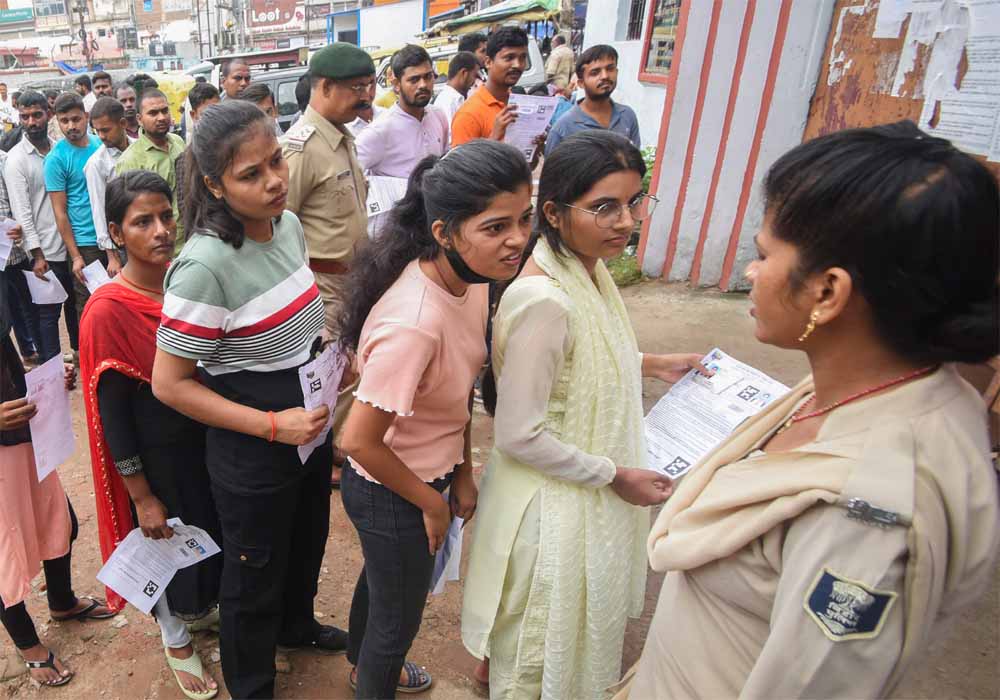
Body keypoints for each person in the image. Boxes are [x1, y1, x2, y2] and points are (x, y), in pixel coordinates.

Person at [618, 121, 1000, 698]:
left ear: (827, 292)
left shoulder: (868, 514)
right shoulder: (855, 388)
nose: (751, 272)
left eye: (763, 254)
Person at [462, 131, 702, 699]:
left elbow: (580, 359)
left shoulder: (585, 270)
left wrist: (651, 363)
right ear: (554, 213)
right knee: (537, 651)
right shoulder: (545, 299)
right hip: (551, 506)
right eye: (605, 207)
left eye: (634, 202)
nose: (626, 221)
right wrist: (615, 475)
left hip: (571, 488)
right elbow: (519, 435)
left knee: (539, 642)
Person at [152, 100, 348, 700]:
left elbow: (296, 319)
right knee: (253, 569)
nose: (274, 182)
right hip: (253, 440)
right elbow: (170, 384)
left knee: (307, 538)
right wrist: (270, 425)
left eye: (276, 163)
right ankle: (252, 683)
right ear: (215, 185)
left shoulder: (287, 227)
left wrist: (332, 357)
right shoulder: (203, 267)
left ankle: (295, 627)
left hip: (307, 421)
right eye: (251, 174)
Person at [338, 139, 533, 699]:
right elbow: (358, 440)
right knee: (396, 624)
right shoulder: (415, 323)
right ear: (444, 233)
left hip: (424, 476)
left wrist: (463, 471)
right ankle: (372, 676)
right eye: (495, 227)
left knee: (385, 586)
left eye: (523, 219)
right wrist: (430, 503)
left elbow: (456, 393)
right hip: (393, 490)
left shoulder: (469, 280)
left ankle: (362, 663)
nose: (517, 239)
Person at [80, 171, 223, 700]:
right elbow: (113, 416)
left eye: (166, 216)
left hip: (202, 442)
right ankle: (175, 635)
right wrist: (140, 494)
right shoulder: (108, 310)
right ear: (117, 233)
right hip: (153, 456)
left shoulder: (184, 286)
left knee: (205, 533)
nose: (161, 230)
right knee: (160, 539)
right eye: (143, 222)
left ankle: (201, 611)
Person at [1, 283, 116, 689]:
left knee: (60, 521)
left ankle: (62, 602)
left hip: (21, 436)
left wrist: (39, 384)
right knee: (5, 554)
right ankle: (27, 643)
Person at [282, 42, 373, 487]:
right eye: (357, 88)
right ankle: (329, 454)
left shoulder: (341, 138)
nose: (366, 96)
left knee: (349, 368)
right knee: (328, 372)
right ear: (325, 87)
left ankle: (339, 447)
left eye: (369, 86)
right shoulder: (300, 149)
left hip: (352, 280)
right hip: (322, 285)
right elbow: (281, 226)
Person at [4, 91, 77, 363]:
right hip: (44, 251)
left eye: (36, 115)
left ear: (49, 113)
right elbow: (22, 213)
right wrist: (36, 255)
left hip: (71, 245)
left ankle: (78, 356)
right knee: (47, 314)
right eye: (25, 117)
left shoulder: (60, 148)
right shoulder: (16, 160)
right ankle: (53, 368)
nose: (31, 122)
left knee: (75, 306)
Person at [44, 92, 102, 323]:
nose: (71, 126)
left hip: (111, 237)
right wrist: (76, 256)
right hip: (85, 244)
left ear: (86, 116)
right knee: (89, 308)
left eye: (76, 119)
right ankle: (86, 348)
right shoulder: (56, 159)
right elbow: (60, 213)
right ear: (57, 121)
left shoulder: (100, 144)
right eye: (64, 121)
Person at [357, 45, 449, 179]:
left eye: (428, 77)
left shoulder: (438, 115)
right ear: (396, 84)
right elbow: (349, 175)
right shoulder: (380, 130)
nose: (423, 85)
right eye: (414, 80)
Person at [115, 89, 186, 250]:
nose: (161, 117)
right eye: (153, 113)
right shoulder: (130, 160)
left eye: (165, 111)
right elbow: (130, 214)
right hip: (159, 246)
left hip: (189, 239)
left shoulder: (178, 142)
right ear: (139, 119)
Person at [545, 45, 640, 155]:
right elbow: (552, 165)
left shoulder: (627, 116)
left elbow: (634, 160)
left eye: (610, 69)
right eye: (595, 73)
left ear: (617, 72)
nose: (605, 76)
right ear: (581, 83)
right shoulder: (564, 128)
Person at [451, 26, 528, 147]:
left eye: (522, 58)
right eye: (509, 58)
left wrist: (535, 147)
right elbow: (462, 160)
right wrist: (494, 138)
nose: (517, 65)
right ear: (488, 62)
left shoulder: (519, 105)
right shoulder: (469, 115)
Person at [85, 97, 133, 277]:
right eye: (97, 131)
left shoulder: (139, 148)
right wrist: (111, 256)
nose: (101, 136)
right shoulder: (96, 164)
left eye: (105, 130)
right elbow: (98, 210)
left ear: (122, 124)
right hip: (121, 241)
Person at [0, 156, 37, 365]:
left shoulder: (7, 161)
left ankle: (32, 351)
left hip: (17, 249)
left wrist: (21, 226)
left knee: (29, 304)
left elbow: (20, 200)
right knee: (4, 315)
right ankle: (14, 365)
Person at [434, 51, 480, 126]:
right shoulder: (447, 101)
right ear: (464, 73)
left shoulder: (457, 99)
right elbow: (451, 133)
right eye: (474, 76)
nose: (475, 81)